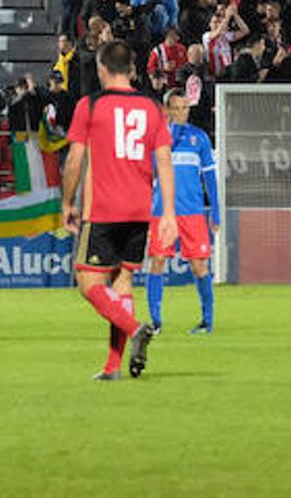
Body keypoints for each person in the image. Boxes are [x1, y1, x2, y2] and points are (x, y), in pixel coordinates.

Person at [61, 42, 174, 381]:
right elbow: (164, 160)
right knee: (122, 281)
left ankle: (136, 328)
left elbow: (75, 159)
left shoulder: (91, 105)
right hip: (140, 209)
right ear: (132, 69)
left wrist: (67, 202)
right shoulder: (154, 107)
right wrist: (167, 212)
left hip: (104, 209)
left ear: (101, 68)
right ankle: (113, 367)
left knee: (87, 282)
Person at [140, 90, 220, 335]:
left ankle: (207, 321)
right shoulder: (154, 138)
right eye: (176, 108)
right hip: (161, 211)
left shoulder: (200, 138)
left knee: (199, 266)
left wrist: (215, 210)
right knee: (158, 262)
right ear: (166, 110)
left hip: (193, 212)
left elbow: (209, 176)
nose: (181, 112)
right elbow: (146, 176)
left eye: (185, 107)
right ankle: (156, 322)